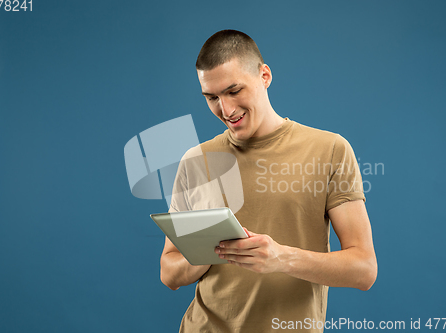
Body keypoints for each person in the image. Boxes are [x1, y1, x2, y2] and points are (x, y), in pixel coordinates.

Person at [160, 29, 377, 333]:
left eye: (234, 91)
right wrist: (203, 255)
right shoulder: (196, 160)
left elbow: (364, 269)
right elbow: (168, 272)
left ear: (264, 76)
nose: (226, 110)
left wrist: (281, 258)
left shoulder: (330, 150)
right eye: (212, 97)